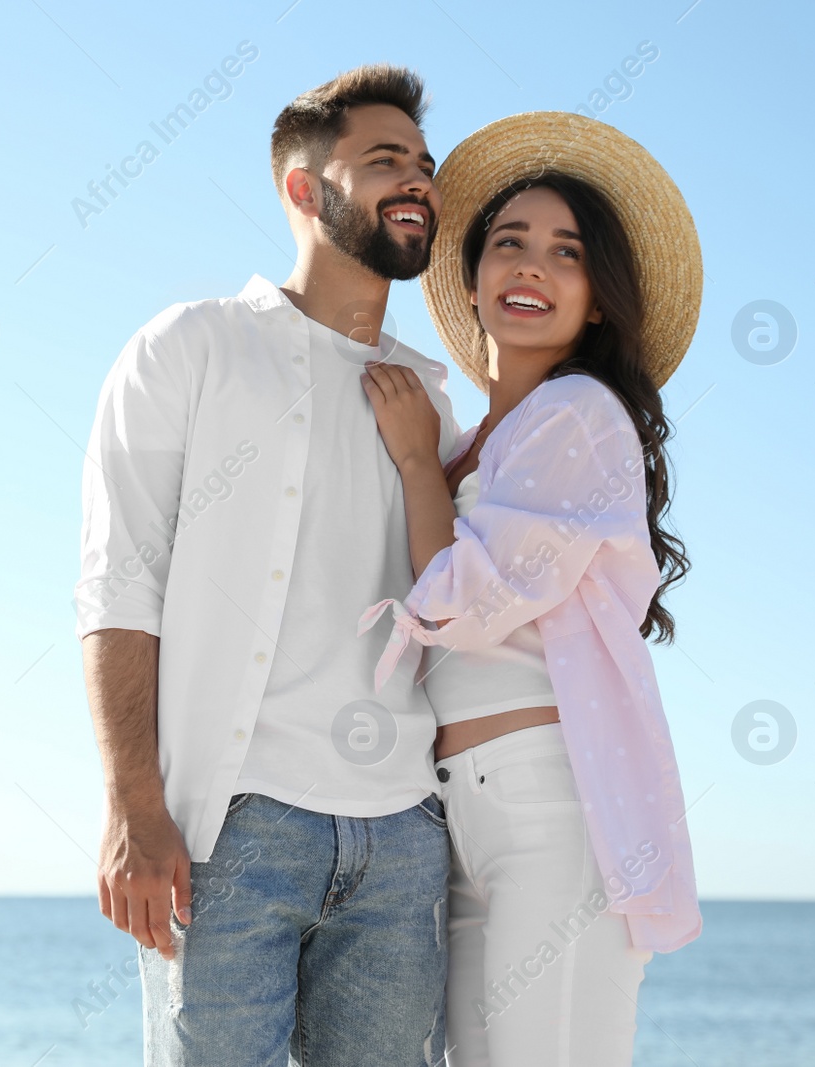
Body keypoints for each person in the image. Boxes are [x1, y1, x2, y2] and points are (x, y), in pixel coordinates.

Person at [75, 65, 462, 1064]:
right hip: (228, 831)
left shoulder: (430, 399)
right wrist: (133, 804)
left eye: (423, 164)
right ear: (303, 188)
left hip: (402, 832)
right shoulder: (190, 346)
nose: (417, 180)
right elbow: (121, 583)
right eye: (385, 162)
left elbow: (458, 612)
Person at [357, 111, 705, 1067]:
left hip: (554, 803)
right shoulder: (484, 442)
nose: (531, 266)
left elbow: (463, 605)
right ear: (469, 280)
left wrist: (418, 466)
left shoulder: (578, 414)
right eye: (508, 243)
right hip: (454, 806)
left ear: (597, 300)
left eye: (566, 252)